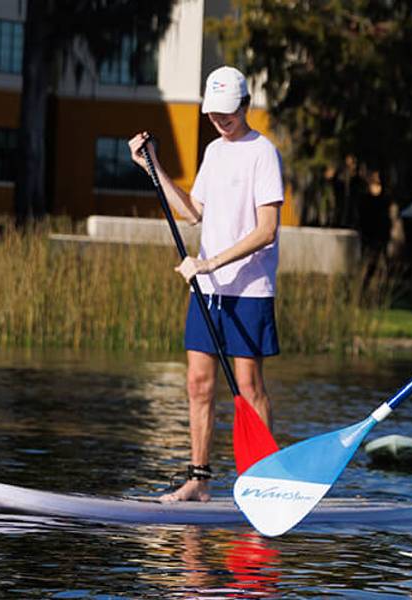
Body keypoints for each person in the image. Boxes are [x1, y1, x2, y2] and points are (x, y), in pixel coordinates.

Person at [129, 65, 286, 503]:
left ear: (245, 106)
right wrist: (152, 166)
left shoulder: (263, 153)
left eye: (228, 113)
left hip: (248, 289)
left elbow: (267, 229)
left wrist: (209, 261)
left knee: (249, 386)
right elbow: (195, 211)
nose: (220, 121)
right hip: (208, 289)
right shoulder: (214, 152)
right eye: (214, 113)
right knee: (198, 383)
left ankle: (262, 484)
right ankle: (199, 480)